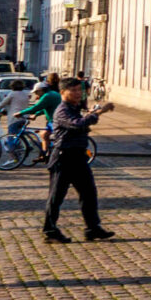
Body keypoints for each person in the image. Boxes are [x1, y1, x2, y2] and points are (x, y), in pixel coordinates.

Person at [43, 79, 113, 243]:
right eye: (73, 90)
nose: (78, 93)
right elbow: (77, 124)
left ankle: (92, 228)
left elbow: (84, 124)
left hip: (78, 157)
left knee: (89, 193)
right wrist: (99, 112)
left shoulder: (74, 108)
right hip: (63, 157)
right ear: (63, 92)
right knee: (56, 196)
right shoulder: (62, 110)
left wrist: (93, 115)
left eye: (79, 90)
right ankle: (50, 230)